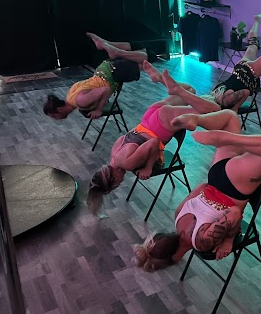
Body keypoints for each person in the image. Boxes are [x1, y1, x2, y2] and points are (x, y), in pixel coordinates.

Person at [132, 110, 261, 271]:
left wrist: (228, 241)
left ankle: (229, 139)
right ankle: (198, 119)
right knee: (230, 118)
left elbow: (235, 212)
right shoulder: (178, 217)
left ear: (175, 257)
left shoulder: (201, 242)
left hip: (234, 186)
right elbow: (202, 187)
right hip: (216, 176)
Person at [87, 69, 221, 215]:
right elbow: (133, 135)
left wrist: (148, 168)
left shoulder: (126, 164)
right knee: (190, 91)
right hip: (149, 118)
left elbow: (154, 142)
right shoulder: (114, 153)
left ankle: (178, 89)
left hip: (161, 124)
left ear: (113, 179)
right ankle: (161, 80)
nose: (120, 183)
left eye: (117, 185)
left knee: (215, 109)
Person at [43, 33, 163, 120]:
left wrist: (99, 109)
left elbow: (105, 89)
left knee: (150, 57)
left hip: (114, 72)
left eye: (54, 116)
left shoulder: (80, 102)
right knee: (141, 48)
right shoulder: (70, 95)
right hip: (104, 69)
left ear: (59, 109)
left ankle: (115, 51)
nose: (56, 119)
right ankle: (107, 44)